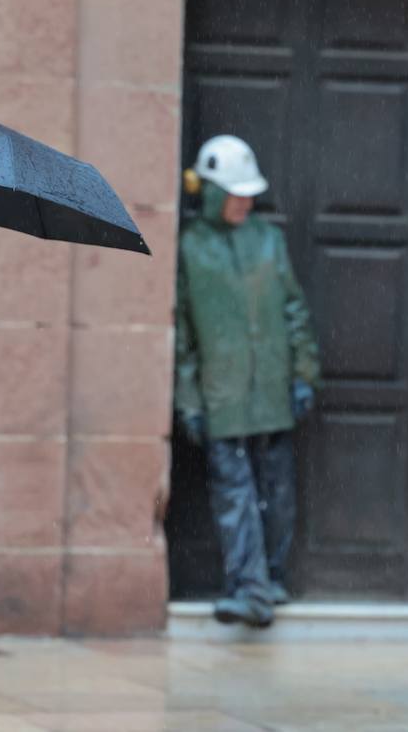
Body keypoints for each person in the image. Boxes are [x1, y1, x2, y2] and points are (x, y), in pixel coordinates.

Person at [174, 135, 321, 628]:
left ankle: (270, 578)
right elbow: (184, 337)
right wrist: (189, 401)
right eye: (234, 192)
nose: (244, 201)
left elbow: (294, 309)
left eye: (247, 193)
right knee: (236, 494)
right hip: (223, 395)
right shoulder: (191, 248)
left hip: (273, 391)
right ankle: (250, 587)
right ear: (211, 191)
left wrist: (303, 374)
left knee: (275, 491)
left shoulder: (268, 240)